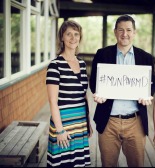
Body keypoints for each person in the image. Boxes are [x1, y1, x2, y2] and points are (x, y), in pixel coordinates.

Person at [89, 14, 155, 167]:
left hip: (135, 122)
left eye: (128, 30)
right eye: (120, 30)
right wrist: (98, 93)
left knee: (137, 164)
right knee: (108, 164)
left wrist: (148, 94)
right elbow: (94, 82)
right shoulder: (102, 54)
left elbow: (152, 83)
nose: (124, 34)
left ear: (134, 33)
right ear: (115, 32)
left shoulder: (145, 58)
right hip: (108, 121)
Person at [46, 20, 93, 167]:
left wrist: (88, 122)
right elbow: (53, 101)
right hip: (63, 124)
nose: (73, 38)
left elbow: (84, 95)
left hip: (80, 123)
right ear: (62, 38)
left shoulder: (82, 64)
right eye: (69, 34)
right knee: (63, 163)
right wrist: (59, 130)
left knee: (78, 162)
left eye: (76, 34)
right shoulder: (55, 65)